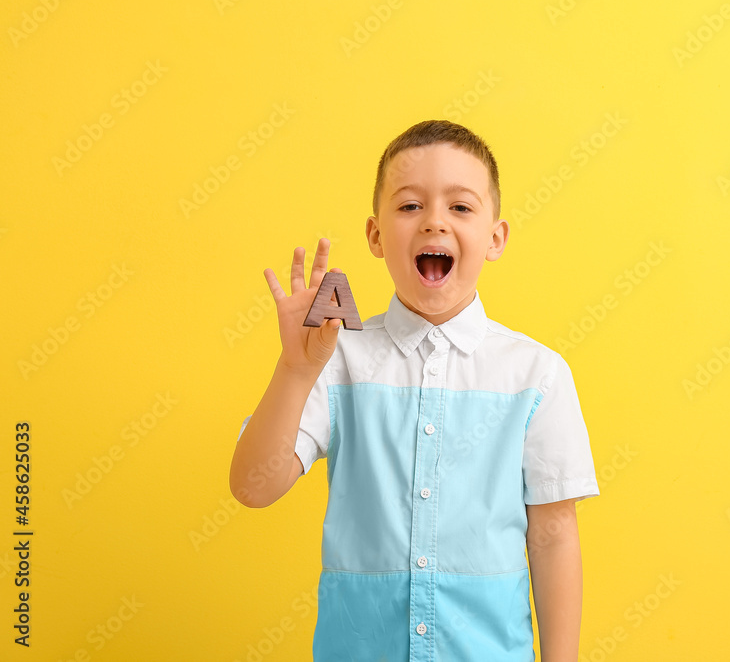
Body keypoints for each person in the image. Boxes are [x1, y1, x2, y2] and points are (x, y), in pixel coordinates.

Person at [229, 120, 600, 661]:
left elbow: (555, 535)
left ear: (495, 239)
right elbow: (251, 488)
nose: (434, 223)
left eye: (461, 207)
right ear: (376, 236)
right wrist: (294, 368)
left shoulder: (536, 374)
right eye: (409, 207)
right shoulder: (336, 359)